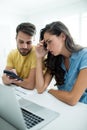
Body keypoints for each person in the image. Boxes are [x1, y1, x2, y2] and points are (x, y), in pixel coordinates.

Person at [35, 21, 87, 106]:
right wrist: (38, 57)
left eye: (50, 41)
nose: (47, 47)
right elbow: (40, 89)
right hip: (63, 106)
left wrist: (51, 91)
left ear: (63, 36)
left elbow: (72, 99)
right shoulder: (55, 59)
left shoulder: (84, 55)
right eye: (46, 44)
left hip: (83, 108)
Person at [2, 22, 36, 90]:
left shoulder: (37, 54)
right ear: (16, 39)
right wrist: (6, 79)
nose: (25, 46)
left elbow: (30, 85)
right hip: (18, 92)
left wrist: (13, 80)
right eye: (21, 42)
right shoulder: (12, 53)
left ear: (34, 40)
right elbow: (4, 77)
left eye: (29, 42)